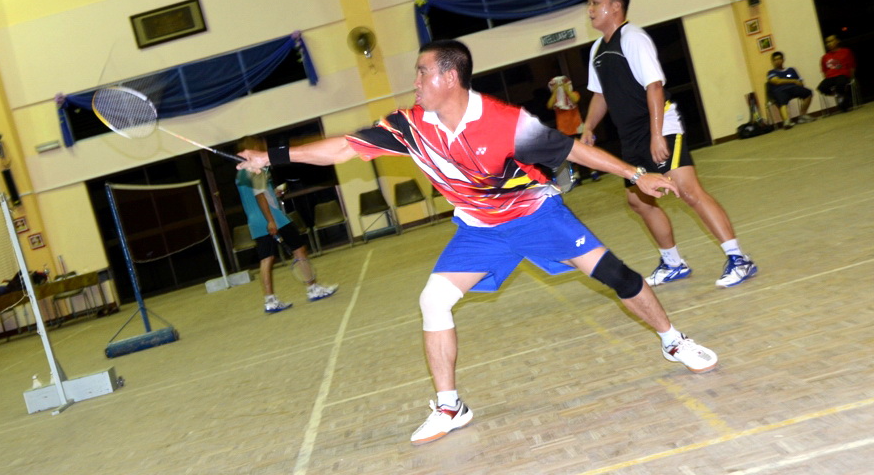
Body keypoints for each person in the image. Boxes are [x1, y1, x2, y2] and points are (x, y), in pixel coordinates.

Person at [238, 40, 719, 445]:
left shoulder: (503, 122)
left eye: (422, 72)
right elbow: (343, 148)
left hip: (536, 214)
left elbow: (572, 149)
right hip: (480, 229)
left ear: (449, 77)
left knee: (616, 275)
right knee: (433, 300)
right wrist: (272, 156)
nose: (415, 81)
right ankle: (451, 407)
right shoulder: (408, 127)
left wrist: (637, 174)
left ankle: (674, 342)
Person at [581, 0, 758, 290]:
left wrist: (656, 134)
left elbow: (654, 86)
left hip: (659, 125)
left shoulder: (633, 38)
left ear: (615, 6)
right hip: (631, 135)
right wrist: (588, 128)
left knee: (688, 191)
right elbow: (601, 94)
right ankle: (673, 263)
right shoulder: (598, 49)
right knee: (639, 202)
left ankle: (739, 259)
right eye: (589, 4)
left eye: (596, 3)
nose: (590, 9)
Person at [234, 137, 337, 313]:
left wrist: (274, 193)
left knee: (266, 260)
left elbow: (258, 194)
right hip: (273, 217)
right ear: (255, 148)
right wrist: (271, 220)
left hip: (254, 221)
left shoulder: (240, 174)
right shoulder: (256, 168)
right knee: (299, 250)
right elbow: (259, 196)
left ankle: (270, 301)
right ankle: (313, 289)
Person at [547, 75, 599, 186]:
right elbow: (549, 105)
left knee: (585, 150)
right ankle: (576, 176)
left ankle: (593, 172)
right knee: (571, 154)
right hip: (564, 130)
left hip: (577, 127)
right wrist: (556, 91)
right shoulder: (556, 99)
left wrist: (566, 89)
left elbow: (575, 99)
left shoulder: (573, 94)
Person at [766, 51, 815, 129]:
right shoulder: (771, 72)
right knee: (782, 100)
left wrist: (799, 83)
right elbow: (776, 81)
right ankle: (786, 121)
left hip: (793, 88)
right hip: (780, 91)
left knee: (808, 93)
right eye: (775, 60)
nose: (777, 61)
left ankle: (803, 115)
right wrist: (793, 81)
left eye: (779, 59)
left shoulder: (791, 70)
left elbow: (800, 82)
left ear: (783, 60)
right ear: (772, 61)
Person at [817, 34, 856, 112]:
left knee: (840, 83)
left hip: (842, 74)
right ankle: (838, 95)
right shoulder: (825, 57)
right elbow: (824, 71)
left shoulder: (846, 51)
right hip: (831, 77)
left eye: (831, 41)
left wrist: (850, 77)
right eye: (827, 42)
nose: (829, 44)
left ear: (837, 41)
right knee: (821, 87)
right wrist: (828, 78)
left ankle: (843, 102)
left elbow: (852, 66)